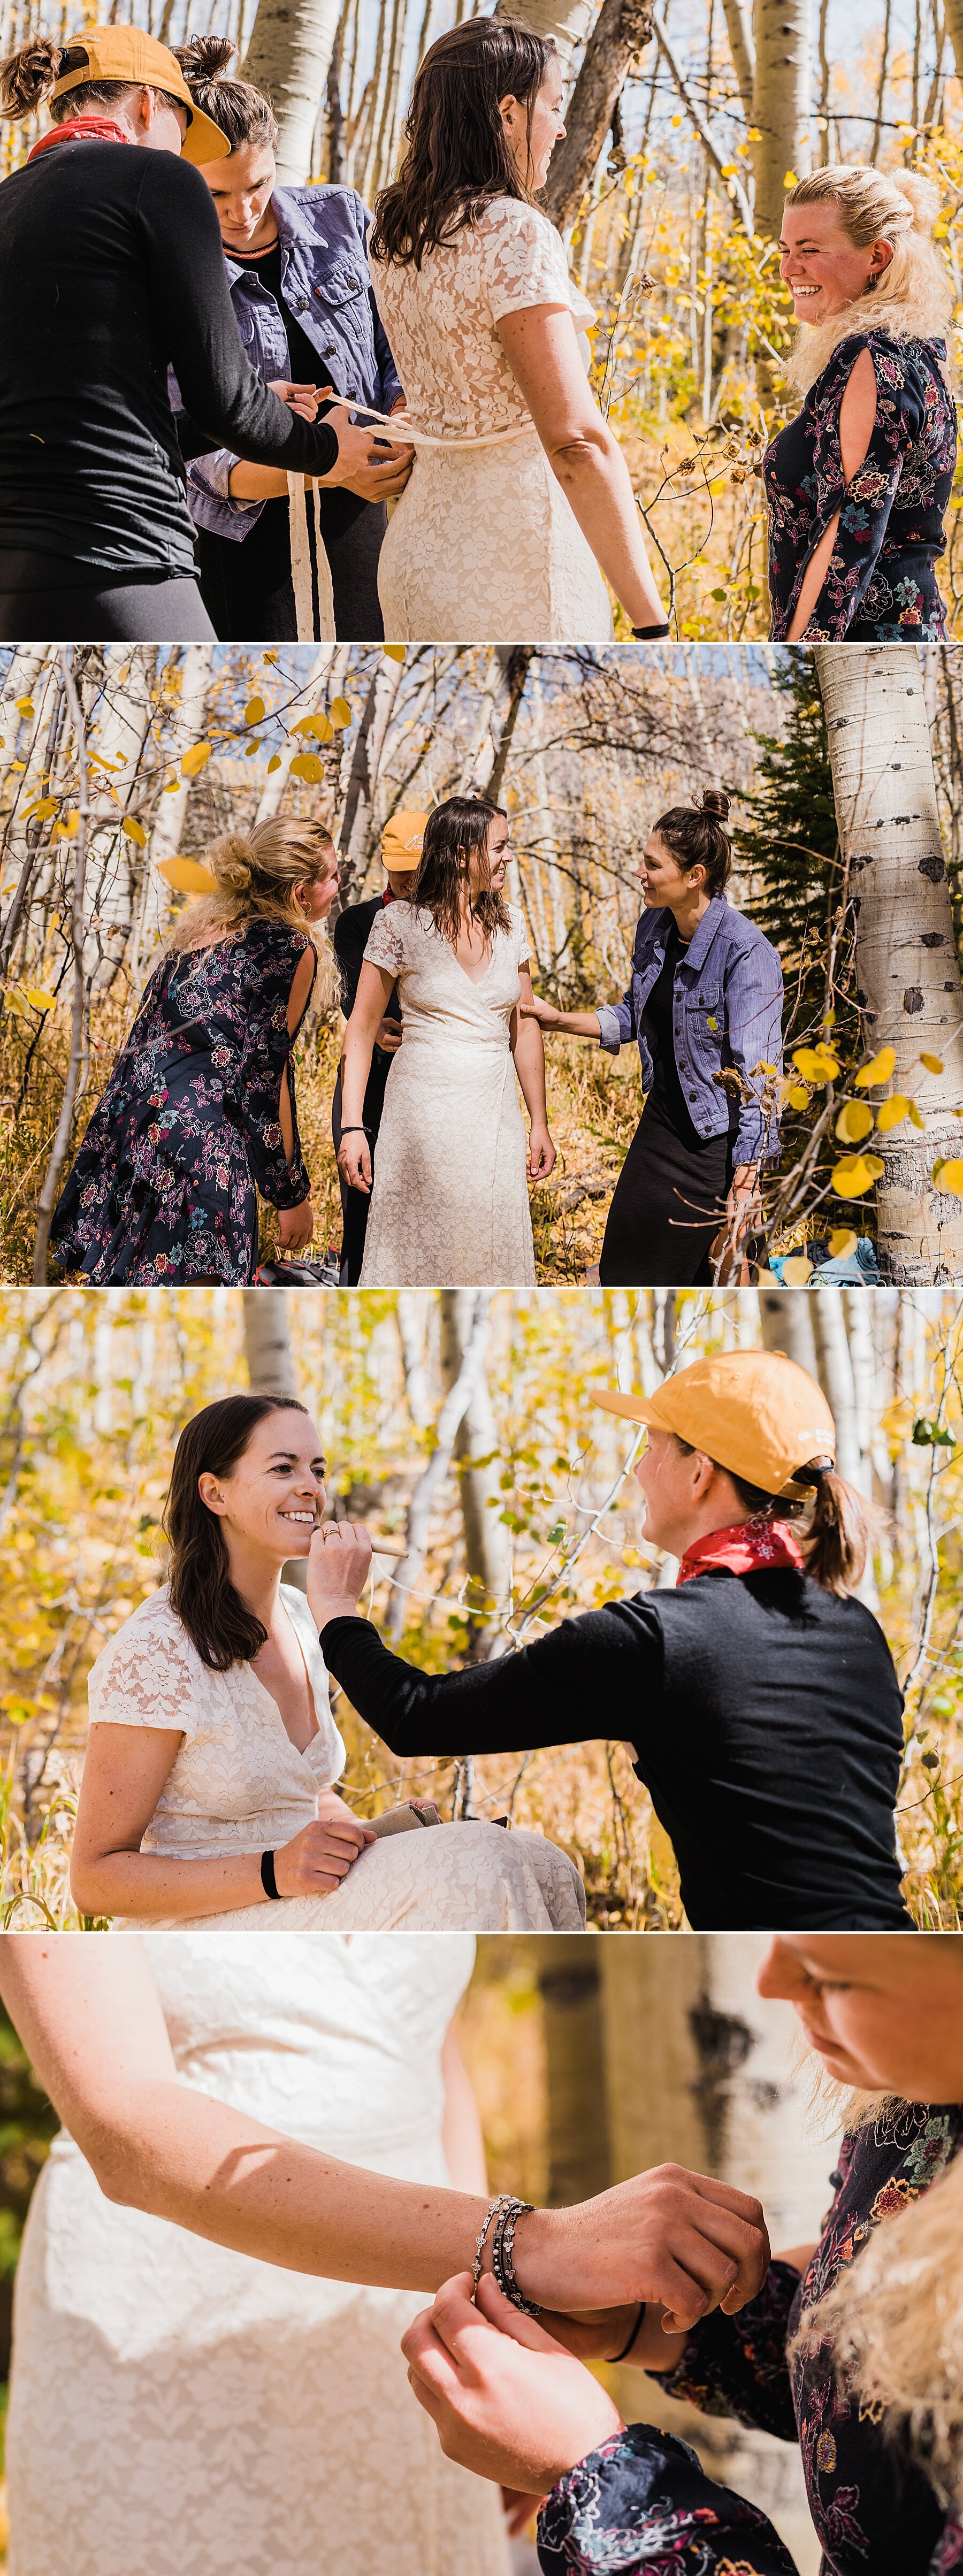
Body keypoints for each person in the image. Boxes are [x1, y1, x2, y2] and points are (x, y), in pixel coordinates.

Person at [0, 1934, 772, 2576]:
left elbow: (430, 2061)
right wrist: (525, 2244)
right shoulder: (62, 1813)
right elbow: (125, 2127)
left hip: (403, 2313)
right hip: (166, 2317)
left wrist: (491, 2315)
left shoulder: (388, 1814)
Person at [402, 1933, 963, 2576]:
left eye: (836, 1971)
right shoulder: (918, 2100)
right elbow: (882, 2382)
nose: (772, 1981)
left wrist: (602, 2480)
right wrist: (661, 2325)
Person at [307, 1347, 913, 1932]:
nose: (642, 1469)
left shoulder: (655, 1641)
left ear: (700, 1472)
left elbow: (416, 1717)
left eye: (651, 1447)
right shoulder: (854, 1627)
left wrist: (336, 1609)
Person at [68, 1393, 585, 1930]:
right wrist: (275, 1871)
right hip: (206, 1922)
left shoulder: (299, 1615)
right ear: (214, 1492)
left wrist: (367, 1831)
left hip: (301, 1897)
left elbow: (296, 1794)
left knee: (543, 1861)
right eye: (283, 1468)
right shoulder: (155, 1650)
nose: (311, 1488)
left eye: (318, 1470)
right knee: (481, 1859)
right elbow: (95, 1881)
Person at [0, 26, 386, 642]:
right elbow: (225, 400)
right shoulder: (157, 179)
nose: (180, 152)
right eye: (184, 132)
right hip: (128, 549)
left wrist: (244, 414)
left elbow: (92, 414)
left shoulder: (12, 201)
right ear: (153, 105)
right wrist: (326, 451)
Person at [366, 18, 668, 644]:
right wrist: (650, 617)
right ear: (508, 112)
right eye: (554, 107)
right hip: (519, 564)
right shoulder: (512, 230)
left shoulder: (394, 233)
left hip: (416, 556)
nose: (562, 128)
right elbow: (576, 442)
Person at [173, 39, 414, 644]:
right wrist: (331, 465)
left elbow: (400, 347)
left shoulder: (343, 217)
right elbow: (200, 462)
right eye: (217, 195)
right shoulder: (172, 271)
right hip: (246, 535)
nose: (244, 211)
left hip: (366, 507)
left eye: (257, 184)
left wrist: (403, 416)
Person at [49, 819, 335, 1286]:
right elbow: (264, 1081)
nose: (339, 885)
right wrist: (289, 1194)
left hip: (138, 1136)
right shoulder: (291, 947)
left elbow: (138, 1048)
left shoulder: (201, 933)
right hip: (204, 1157)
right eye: (334, 876)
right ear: (302, 893)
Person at [522, 791, 783, 1286]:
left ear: (694, 877)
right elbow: (637, 1014)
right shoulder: (654, 926)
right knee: (624, 1267)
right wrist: (558, 1020)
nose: (640, 873)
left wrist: (746, 1183)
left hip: (717, 1146)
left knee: (708, 1284)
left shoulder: (746, 953)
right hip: (660, 1127)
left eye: (651, 864)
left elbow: (761, 1081)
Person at [338, 796, 555, 1287]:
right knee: (415, 1257)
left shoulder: (513, 924)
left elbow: (524, 1028)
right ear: (461, 854)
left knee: (488, 1252)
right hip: (420, 1119)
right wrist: (353, 1127)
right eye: (499, 847)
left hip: (493, 1116)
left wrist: (539, 1121)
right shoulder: (397, 924)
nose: (508, 857)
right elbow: (361, 1027)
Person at [767, 167, 958, 641]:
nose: (790, 268)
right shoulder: (919, 348)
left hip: (861, 639)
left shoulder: (870, 359)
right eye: (786, 251)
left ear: (878, 255)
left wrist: (794, 652)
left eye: (810, 250)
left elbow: (844, 540)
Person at [332, 809, 424, 1284]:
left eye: (418, 866)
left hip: (429, 1095)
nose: (408, 878)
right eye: (399, 866)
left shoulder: (456, 925)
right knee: (361, 1226)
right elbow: (361, 1011)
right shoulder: (357, 921)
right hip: (368, 1086)